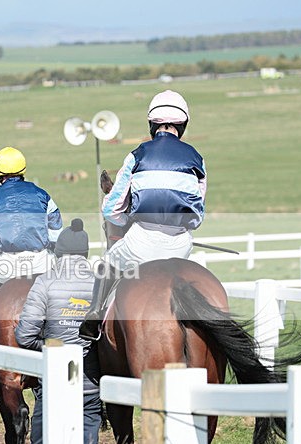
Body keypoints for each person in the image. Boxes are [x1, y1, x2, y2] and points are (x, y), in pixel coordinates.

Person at [80, 90, 207, 340]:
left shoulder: (137, 155)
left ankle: (93, 316)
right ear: (183, 125)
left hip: (141, 242)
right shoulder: (197, 159)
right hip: (180, 245)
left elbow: (111, 209)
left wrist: (126, 219)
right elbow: (197, 215)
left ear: (151, 124)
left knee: (107, 264)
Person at [13, 219, 101, 444]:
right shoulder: (100, 282)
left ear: (59, 252)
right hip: (90, 388)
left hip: (52, 387)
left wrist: (48, 345)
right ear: (86, 253)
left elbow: (24, 336)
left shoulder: (46, 282)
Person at [0, 146, 63, 322]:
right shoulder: (43, 195)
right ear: (23, 170)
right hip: (41, 263)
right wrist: (51, 249)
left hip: (8, 265)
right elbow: (56, 231)